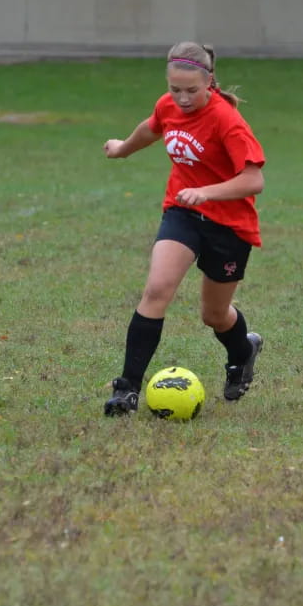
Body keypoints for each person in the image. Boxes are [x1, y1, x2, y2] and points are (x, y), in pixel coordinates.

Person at [102, 42, 266, 416]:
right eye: (176, 89)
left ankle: (243, 350)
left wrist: (206, 192)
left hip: (229, 226)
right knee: (157, 290)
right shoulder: (168, 105)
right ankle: (126, 390)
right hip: (182, 212)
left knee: (214, 315)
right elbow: (152, 127)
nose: (183, 98)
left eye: (191, 90)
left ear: (209, 82)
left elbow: (254, 180)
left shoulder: (227, 120)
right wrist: (122, 149)